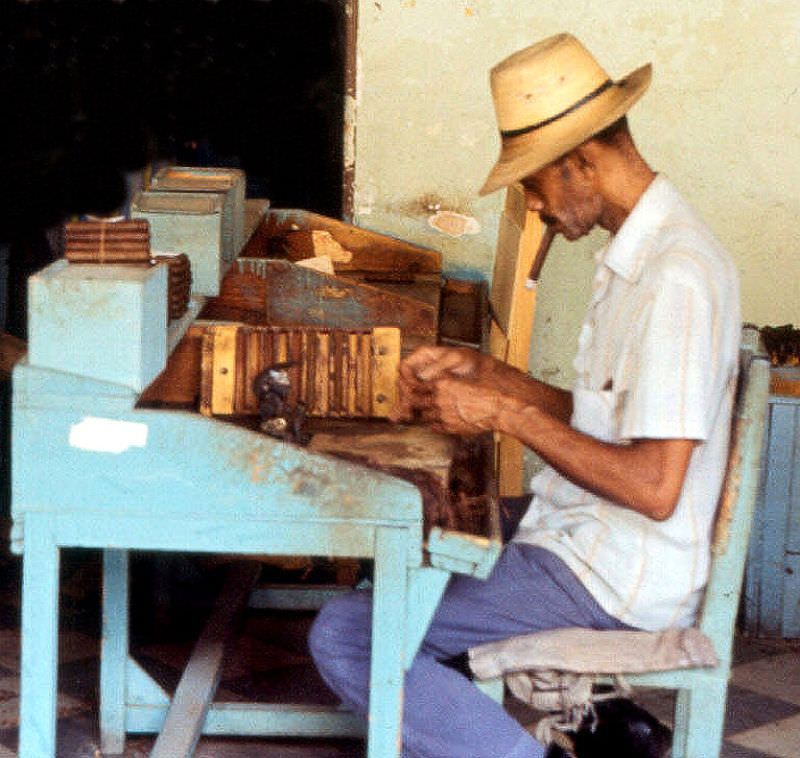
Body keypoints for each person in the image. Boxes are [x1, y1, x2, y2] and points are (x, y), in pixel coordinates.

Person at [309, 32, 740, 758]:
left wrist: (507, 416)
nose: (536, 207)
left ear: (582, 162)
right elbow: (607, 424)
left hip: (614, 575)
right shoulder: (644, 253)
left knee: (348, 634)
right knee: (410, 534)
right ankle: (591, 729)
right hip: (583, 537)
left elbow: (655, 486)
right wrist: (492, 377)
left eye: (535, 184)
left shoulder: (676, 280)